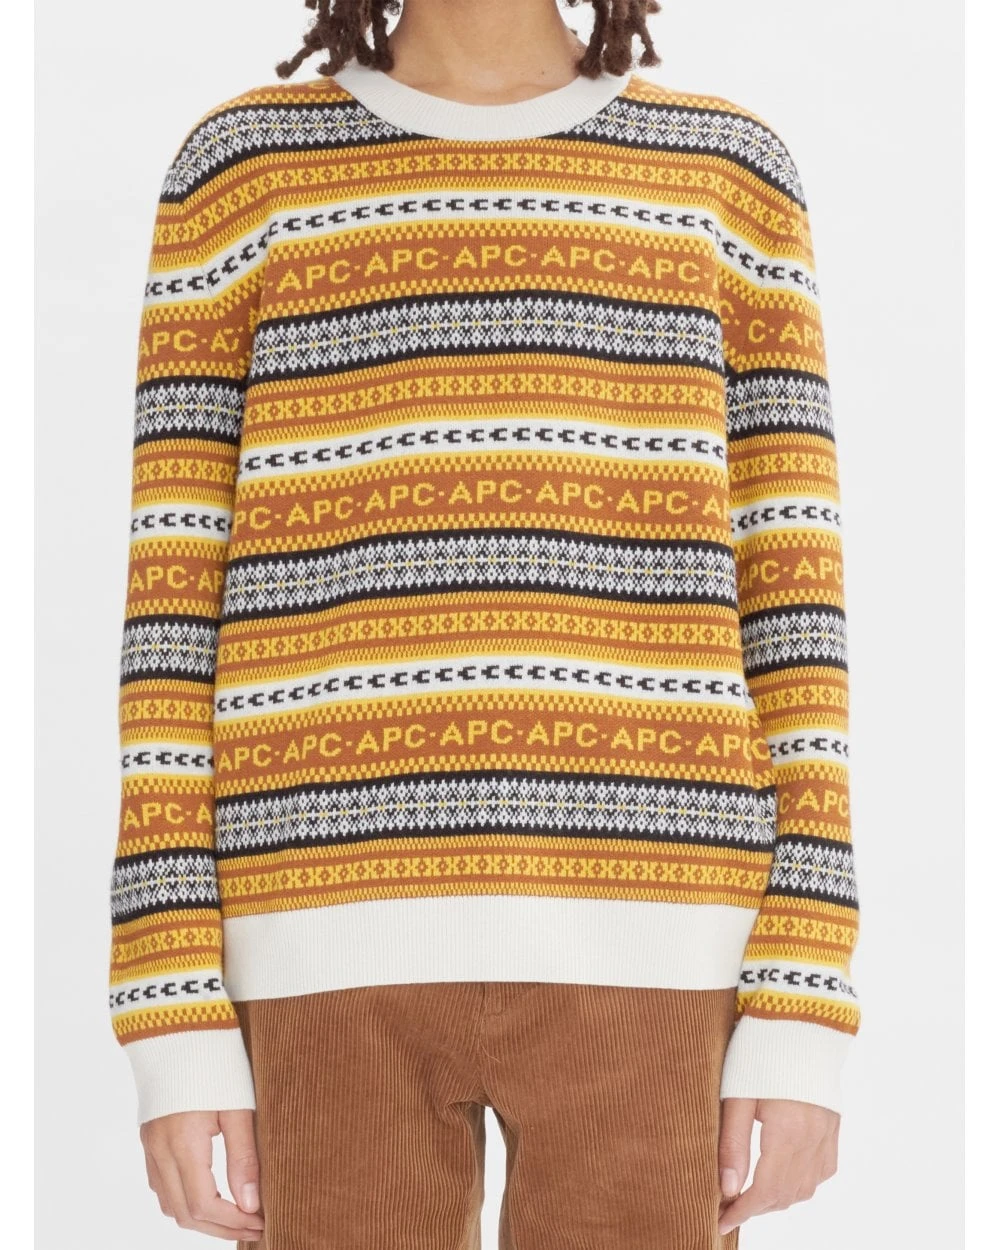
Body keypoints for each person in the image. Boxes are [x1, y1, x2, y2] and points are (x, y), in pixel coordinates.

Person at [109, 0, 860, 1244]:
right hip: (318, 938)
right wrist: (171, 1008)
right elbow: (170, 613)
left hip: (660, 942)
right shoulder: (242, 166)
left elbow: (796, 607)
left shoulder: (724, 170)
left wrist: (802, 997)